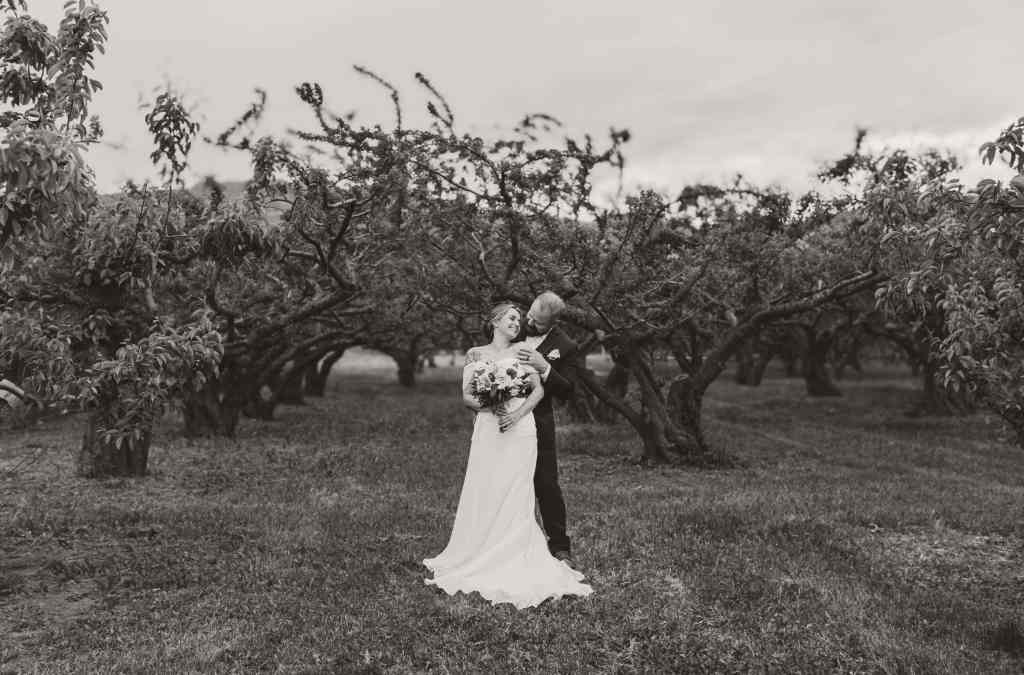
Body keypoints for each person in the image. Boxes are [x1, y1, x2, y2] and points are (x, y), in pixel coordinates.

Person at [422, 301, 592, 608]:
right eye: (512, 318)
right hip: (489, 430)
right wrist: (490, 405)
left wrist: (516, 414)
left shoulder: (523, 351)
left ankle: (521, 549)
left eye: (520, 318)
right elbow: (467, 396)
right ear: (495, 321)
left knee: (519, 490)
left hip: (521, 428)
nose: (518, 323)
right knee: (486, 487)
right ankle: (479, 548)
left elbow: (538, 390)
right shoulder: (476, 354)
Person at [515, 291, 581, 566]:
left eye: (538, 322)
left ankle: (559, 546)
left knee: (546, 483)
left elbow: (568, 390)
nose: (529, 322)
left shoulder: (565, 345)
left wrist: (545, 369)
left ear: (553, 323)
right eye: (529, 314)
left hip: (539, 422)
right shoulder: (513, 326)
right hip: (505, 418)